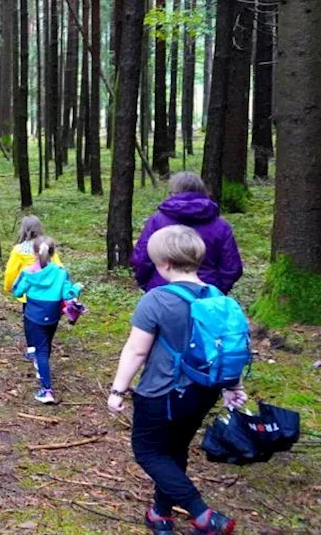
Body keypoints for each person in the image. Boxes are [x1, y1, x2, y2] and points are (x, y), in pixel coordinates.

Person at [108, 225, 244, 535]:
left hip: (162, 393)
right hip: (203, 391)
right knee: (175, 450)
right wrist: (233, 386)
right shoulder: (217, 296)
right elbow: (228, 346)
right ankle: (160, 514)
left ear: (166, 264)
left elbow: (136, 351)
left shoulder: (156, 300)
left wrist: (118, 389)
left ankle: (203, 514)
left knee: (149, 452)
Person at [131, 172, 243, 294]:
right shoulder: (220, 225)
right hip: (206, 293)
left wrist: (149, 286)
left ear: (173, 191)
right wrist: (216, 290)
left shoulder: (157, 221)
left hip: (163, 291)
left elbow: (141, 259)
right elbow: (231, 267)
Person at [11, 236, 82, 403]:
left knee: (40, 350)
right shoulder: (61, 272)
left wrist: (20, 281)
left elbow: (17, 292)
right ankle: (41, 365)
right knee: (46, 344)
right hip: (53, 315)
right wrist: (77, 287)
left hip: (33, 315)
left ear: (35, 252)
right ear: (53, 252)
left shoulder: (28, 273)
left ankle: (46, 390)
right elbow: (68, 294)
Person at [2, 216, 63, 296]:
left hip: (28, 293)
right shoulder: (46, 246)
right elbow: (59, 268)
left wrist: (8, 287)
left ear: (22, 230)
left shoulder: (19, 249)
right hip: (50, 294)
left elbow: (10, 272)